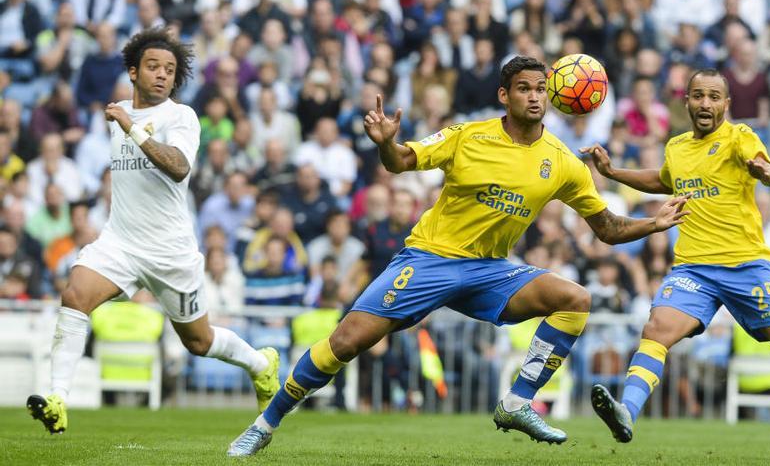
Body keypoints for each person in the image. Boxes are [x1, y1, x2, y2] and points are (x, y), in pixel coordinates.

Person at [227, 56, 689, 456]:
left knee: (575, 299)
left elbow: (606, 228)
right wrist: (387, 142)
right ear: (504, 95)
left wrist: (653, 223)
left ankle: (517, 403)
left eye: (541, 90)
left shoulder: (563, 161)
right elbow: (402, 162)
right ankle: (264, 425)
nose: (534, 97)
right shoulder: (468, 135)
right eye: (524, 89)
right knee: (346, 342)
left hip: (490, 271)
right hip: (430, 258)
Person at [26, 28, 280, 435]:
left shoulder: (180, 116)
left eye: (170, 70)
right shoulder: (118, 115)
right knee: (74, 296)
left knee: (197, 342)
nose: (162, 75)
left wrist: (132, 127)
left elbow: (179, 166)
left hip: (170, 251)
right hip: (120, 242)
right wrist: (126, 123)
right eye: (153, 67)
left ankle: (261, 364)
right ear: (132, 71)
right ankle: (59, 399)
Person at [585, 69, 770, 449]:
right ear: (686, 101)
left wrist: (767, 172)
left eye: (714, 97)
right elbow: (663, 180)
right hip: (694, 268)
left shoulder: (739, 138)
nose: (705, 103)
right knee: (655, 331)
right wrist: (613, 172)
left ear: (726, 104)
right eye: (698, 96)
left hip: (746, 265)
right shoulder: (677, 148)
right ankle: (626, 412)